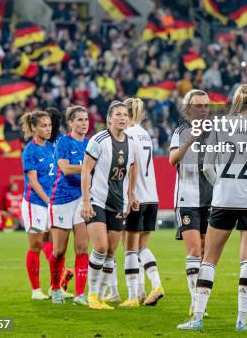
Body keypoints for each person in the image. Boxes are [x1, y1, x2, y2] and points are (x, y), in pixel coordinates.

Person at [177, 84, 247, 332]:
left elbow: (208, 167)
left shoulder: (220, 126)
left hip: (223, 199)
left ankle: (197, 317)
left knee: (209, 258)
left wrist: (221, 185)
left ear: (234, 101)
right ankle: (242, 320)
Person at [81, 101, 139, 310]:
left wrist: (131, 194)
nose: (122, 118)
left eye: (125, 115)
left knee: (112, 252)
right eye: (118, 115)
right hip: (96, 200)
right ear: (109, 118)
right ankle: (92, 295)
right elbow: (86, 170)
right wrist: (86, 200)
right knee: (101, 247)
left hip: (118, 202)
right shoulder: (98, 140)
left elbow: (133, 167)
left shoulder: (131, 142)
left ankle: (102, 295)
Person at [169, 89, 212, 317]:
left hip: (211, 199)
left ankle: (200, 301)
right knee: (195, 250)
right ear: (189, 109)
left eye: (206, 105)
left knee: (206, 252)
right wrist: (191, 139)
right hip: (187, 198)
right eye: (198, 105)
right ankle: (195, 303)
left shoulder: (214, 132)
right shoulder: (181, 131)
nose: (203, 109)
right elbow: (172, 159)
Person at [122, 97, 163, 307]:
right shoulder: (145, 133)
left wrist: (128, 196)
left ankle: (140, 293)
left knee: (130, 248)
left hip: (135, 197)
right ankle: (143, 291)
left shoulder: (127, 135)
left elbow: (131, 166)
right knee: (141, 248)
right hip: (151, 196)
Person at [48, 106, 90, 305]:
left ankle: (80, 294)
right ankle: (55, 288)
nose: (84, 123)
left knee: (82, 248)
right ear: (71, 123)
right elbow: (64, 168)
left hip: (83, 199)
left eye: (86, 119)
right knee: (59, 251)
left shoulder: (91, 144)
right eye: (80, 120)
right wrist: (88, 167)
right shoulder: (64, 142)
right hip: (62, 199)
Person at [20, 110, 54, 301]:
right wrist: (48, 201)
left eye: (49, 125)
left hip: (51, 203)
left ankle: (55, 286)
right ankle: (36, 290)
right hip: (35, 204)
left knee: (53, 243)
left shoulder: (51, 147)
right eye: (43, 125)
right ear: (34, 128)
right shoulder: (30, 150)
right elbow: (33, 181)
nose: (48, 129)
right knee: (35, 244)